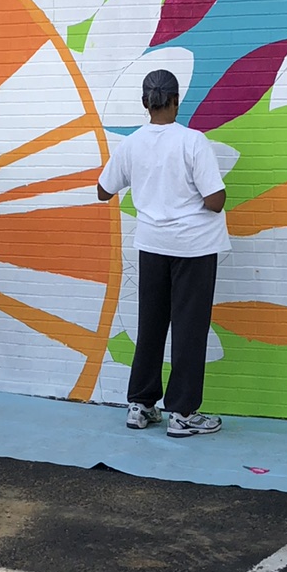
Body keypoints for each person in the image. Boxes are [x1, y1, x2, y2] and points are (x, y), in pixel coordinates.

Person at [97, 68, 229, 438]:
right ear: (175, 100)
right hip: (193, 247)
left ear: (145, 102)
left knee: (151, 324)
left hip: (152, 245)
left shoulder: (132, 144)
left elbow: (103, 191)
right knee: (189, 328)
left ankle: (140, 405)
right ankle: (182, 414)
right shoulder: (192, 142)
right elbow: (215, 201)